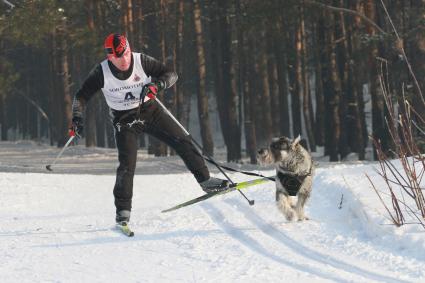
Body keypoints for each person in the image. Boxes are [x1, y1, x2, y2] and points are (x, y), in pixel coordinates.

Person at [71, 33, 229, 224]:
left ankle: (206, 181)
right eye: (117, 58)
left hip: (151, 111)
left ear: (129, 49)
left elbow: (171, 74)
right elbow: (81, 96)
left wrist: (158, 85)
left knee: (182, 140)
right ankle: (123, 211)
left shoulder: (141, 60)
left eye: (126, 55)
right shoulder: (101, 72)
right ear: (109, 57)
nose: (123, 61)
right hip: (124, 119)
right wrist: (77, 117)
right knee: (127, 164)